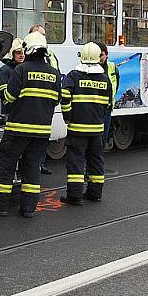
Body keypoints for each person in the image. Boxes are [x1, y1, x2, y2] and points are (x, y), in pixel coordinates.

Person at [0, 31, 61, 218]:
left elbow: (9, 97)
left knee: (6, 166)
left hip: (18, 129)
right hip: (41, 132)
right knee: (32, 168)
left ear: (30, 50)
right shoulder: (54, 73)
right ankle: (28, 208)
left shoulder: (21, 70)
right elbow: (57, 99)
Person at [60, 42, 113, 205]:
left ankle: (74, 196)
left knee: (76, 161)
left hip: (77, 129)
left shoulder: (74, 75)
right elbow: (109, 103)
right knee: (96, 160)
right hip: (97, 129)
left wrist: (67, 116)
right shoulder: (104, 78)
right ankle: (95, 192)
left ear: (81, 57)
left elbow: (64, 95)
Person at [28, 24, 57, 174]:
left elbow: (57, 74)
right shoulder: (27, 51)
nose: (42, 38)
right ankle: (32, 165)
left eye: (44, 35)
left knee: (43, 136)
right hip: (31, 103)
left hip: (46, 103)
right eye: (39, 35)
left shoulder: (51, 54)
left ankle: (40, 163)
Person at [0, 38, 24, 115]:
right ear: (12, 54)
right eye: (18, 53)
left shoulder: (26, 69)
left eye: (23, 53)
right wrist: (10, 102)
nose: (22, 55)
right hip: (10, 111)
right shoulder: (5, 70)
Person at [98, 43, 119, 148]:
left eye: (101, 55)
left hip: (107, 108)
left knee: (102, 139)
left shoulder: (112, 67)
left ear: (106, 55)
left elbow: (116, 85)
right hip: (94, 109)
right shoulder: (90, 68)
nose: (99, 58)